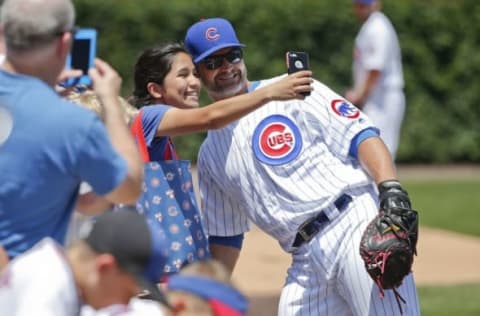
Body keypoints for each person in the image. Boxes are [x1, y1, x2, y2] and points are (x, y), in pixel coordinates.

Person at [184, 17, 420, 315]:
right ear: (196, 71)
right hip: (304, 257)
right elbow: (226, 235)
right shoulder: (209, 155)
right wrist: (208, 294)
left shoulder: (293, 88)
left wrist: (390, 187)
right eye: (213, 62)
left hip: (352, 224)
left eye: (232, 55)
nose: (227, 67)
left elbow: (360, 134)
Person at [128, 43, 312, 274]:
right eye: (183, 75)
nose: (195, 82)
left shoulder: (161, 136)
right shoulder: (149, 116)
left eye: (195, 74)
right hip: (150, 269)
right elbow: (210, 117)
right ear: (155, 90)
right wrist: (268, 93)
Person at [0, 0, 143, 260]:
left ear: (3, 33)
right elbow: (128, 188)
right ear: (65, 42)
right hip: (26, 287)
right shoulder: (73, 124)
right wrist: (110, 101)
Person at [0, 209, 169, 315]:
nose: (127, 304)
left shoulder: (60, 273)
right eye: (128, 294)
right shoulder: (48, 285)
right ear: (104, 267)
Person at [345, 0, 406, 159]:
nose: (360, 9)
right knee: (372, 151)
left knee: (380, 151)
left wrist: (359, 94)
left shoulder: (378, 27)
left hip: (384, 98)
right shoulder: (370, 26)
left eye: (364, 5)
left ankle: (387, 184)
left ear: (375, 4)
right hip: (376, 97)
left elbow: (376, 68)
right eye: (359, 5)